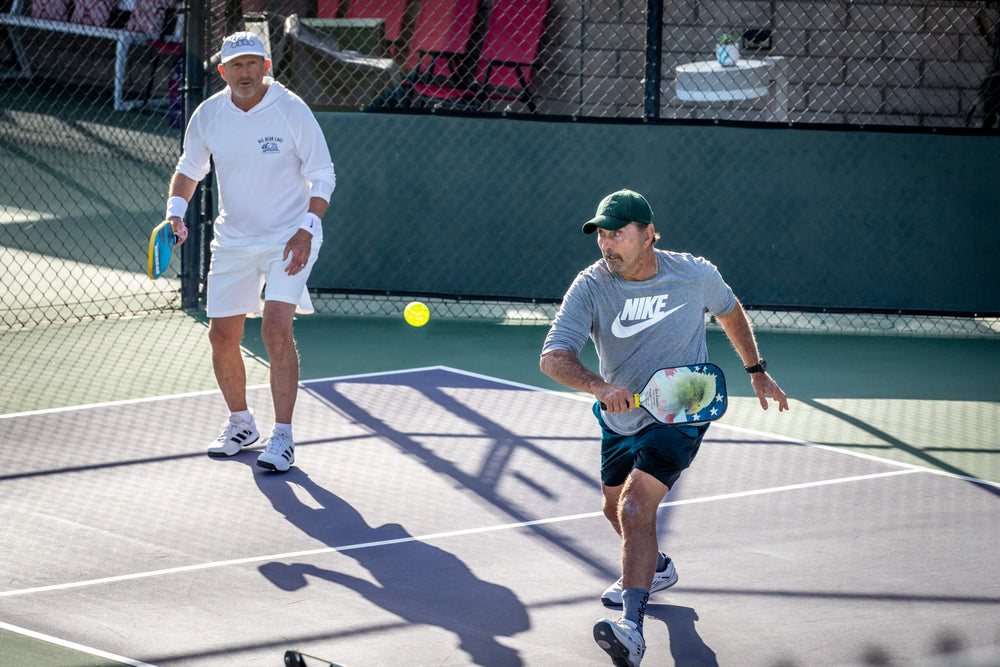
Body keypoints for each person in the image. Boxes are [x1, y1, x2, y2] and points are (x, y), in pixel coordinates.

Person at [539, 189, 788, 667]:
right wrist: (597, 385)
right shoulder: (591, 285)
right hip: (621, 413)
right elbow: (553, 357)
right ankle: (657, 568)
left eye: (618, 234)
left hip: (684, 402)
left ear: (649, 234)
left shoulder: (695, 275)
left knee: (635, 507)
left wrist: (756, 370)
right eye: (602, 235)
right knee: (615, 512)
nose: (607, 244)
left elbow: (730, 311)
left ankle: (630, 628)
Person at [160, 31, 336, 472]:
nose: (245, 72)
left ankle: (283, 436)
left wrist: (307, 229)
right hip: (234, 240)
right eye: (236, 65)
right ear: (222, 71)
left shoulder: (292, 111)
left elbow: (323, 175)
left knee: (275, 330)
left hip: (289, 239)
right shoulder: (209, 115)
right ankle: (242, 423)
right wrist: (175, 213)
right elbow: (189, 168)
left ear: (266, 68)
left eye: (252, 63)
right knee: (221, 336)